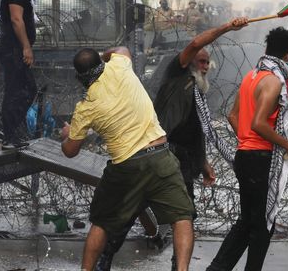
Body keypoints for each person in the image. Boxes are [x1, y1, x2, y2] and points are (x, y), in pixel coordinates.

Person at [95, 17, 249, 270]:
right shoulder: (177, 73)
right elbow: (196, 42)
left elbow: (197, 130)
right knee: (132, 208)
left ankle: (178, 264)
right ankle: (105, 258)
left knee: (184, 215)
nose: (205, 66)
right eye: (200, 61)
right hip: (158, 155)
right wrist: (226, 28)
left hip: (183, 163)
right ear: (189, 61)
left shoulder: (197, 91)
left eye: (207, 62)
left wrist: (204, 163)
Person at [62, 46, 196, 271]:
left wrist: (67, 135)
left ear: (79, 78)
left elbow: (70, 151)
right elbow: (122, 49)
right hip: (160, 155)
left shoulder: (86, 107)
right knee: (182, 217)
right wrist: (105, 56)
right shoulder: (119, 66)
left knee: (101, 223)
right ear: (101, 64)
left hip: (126, 166)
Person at [207, 27, 288, 271]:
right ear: (287, 56)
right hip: (260, 159)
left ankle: (216, 268)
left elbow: (233, 115)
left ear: (266, 49)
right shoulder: (273, 82)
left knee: (248, 222)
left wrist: (245, 140)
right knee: (262, 225)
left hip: (247, 156)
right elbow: (259, 123)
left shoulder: (251, 76)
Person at [0, 0, 42, 149]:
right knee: (17, 91)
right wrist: (26, 47)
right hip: (13, 48)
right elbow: (16, 19)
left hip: (14, 48)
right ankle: (8, 133)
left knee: (24, 90)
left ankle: (11, 131)